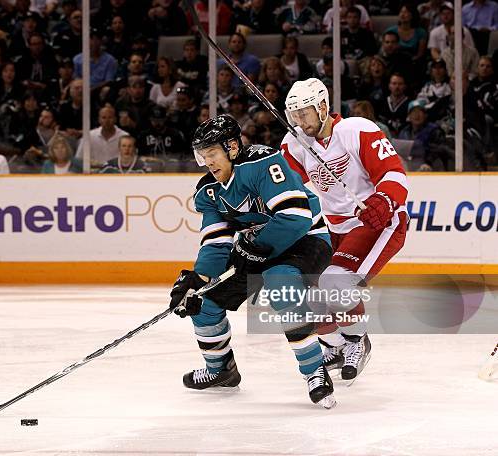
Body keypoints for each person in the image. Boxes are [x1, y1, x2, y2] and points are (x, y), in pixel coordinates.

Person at [170, 114, 336, 408]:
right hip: (257, 246)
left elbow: (296, 218)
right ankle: (221, 370)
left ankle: (315, 372)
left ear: (232, 147)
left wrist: (256, 247)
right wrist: (199, 278)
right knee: (203, 301)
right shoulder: (208, 192)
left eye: (213, 154)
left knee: (280, 283)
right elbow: (216, 241)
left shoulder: (264, 163)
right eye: (203, 156)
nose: (208, 162)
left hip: (305, 239)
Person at [281, 78, 408, 383]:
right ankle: (336, 345)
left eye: (305, 113)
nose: (300, 121)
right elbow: (283, 188)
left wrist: (384, 199)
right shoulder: (295, 144)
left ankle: (357, 341)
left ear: (323, 106)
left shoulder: (357, 130)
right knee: (308, 295)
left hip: (376, 223)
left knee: (335, 281)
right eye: (294, 115)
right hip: (335, 229)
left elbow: (394, 173)